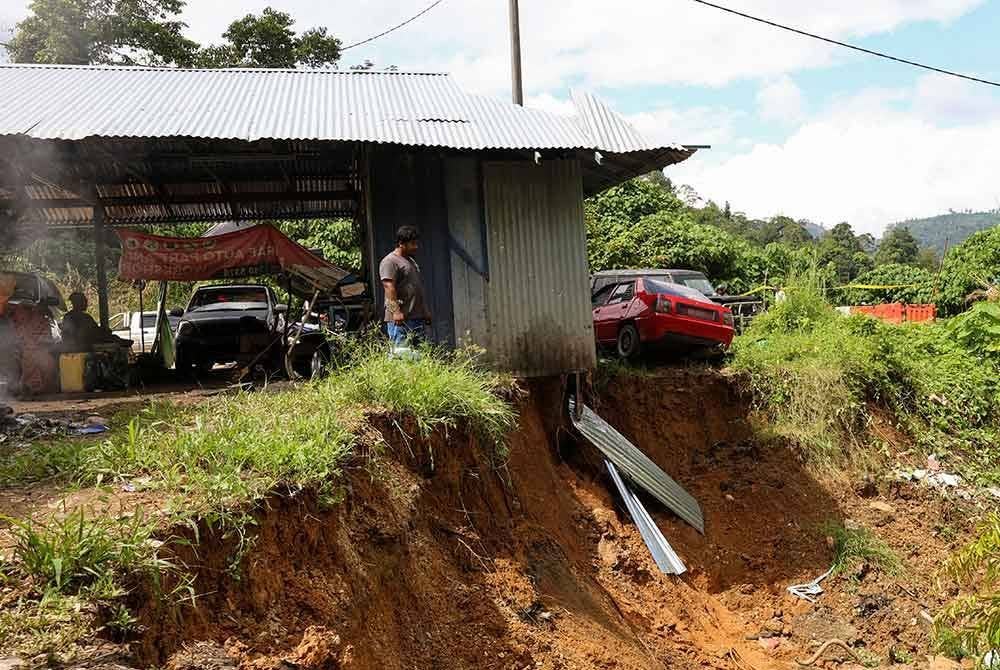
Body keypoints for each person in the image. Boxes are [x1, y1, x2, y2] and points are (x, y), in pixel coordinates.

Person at [380, 225, 431, 346]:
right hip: (401, 321)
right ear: (401, 243)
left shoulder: (410, 260)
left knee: (420, 357)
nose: (416, 247)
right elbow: (388, 287)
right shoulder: (390, 261)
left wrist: (425, 311)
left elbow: (417, 287)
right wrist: (396, 312)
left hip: (416, 317)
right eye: (412, 244)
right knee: (402, 356)